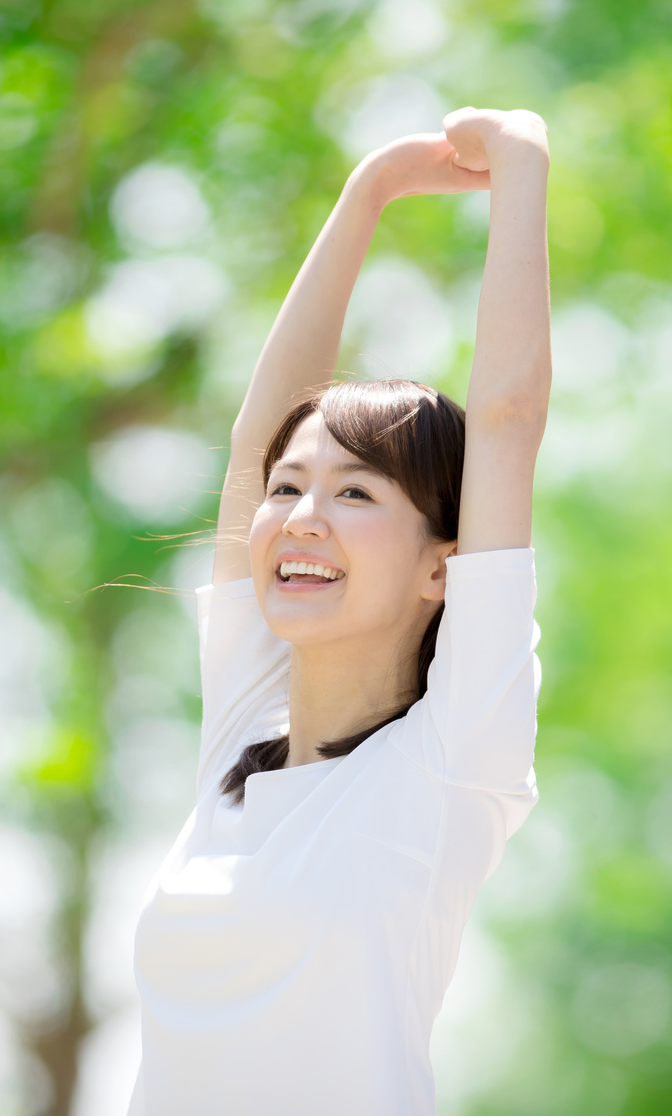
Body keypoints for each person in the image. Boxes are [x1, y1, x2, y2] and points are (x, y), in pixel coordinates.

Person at [128, 106, 552, 1115]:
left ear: (440, 570)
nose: (301, 516)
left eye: (356, 495)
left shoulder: (451, 760)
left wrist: (523, 164)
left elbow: (503, 419)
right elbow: (251, 438)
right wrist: (367, 194)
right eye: (290, 489)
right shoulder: (241, 737)